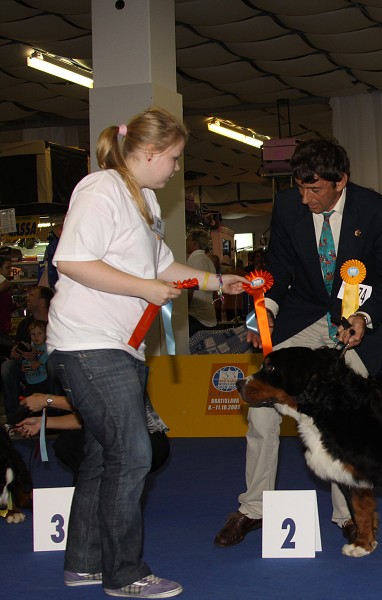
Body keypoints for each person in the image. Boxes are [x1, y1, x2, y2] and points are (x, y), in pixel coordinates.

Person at [46, 106, 246, 598]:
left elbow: (164, 267)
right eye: (174, 158)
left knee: (102, 456)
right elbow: (70, 261)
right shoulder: (100, 189)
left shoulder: (146, 202)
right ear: (150, 152)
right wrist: (142, 286)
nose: (176, 168)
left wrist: (219, 281)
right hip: (87, 344)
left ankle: (85, 563)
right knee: (134, 454)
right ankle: (125, 574)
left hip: (119, 346)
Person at [213, 138, 382, 548]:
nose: (304, 198)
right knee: (262, 410)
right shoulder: (286, 207)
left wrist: (363, 317)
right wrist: (264, 311)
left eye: (314, 189)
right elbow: (279, 270)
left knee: (345, 416)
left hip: (349, 324)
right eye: (300, 188)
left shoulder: (374, 210)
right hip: (299, 319)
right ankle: (253, 508)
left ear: (342, 181)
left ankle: (346, 515)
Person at [12, 387, 170, 483]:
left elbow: (100, 406)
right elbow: (91, 417)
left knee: (84, 446)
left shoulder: (121, 365)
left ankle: (105, 494)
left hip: (148, 442)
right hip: (117, 437)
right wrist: (42, 423)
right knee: (67, 444)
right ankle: (93, 493)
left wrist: (47, 400)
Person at [2, 286, 54, 424]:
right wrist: (16, 355)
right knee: (7, 367)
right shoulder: (25, 324)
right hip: (28, 367)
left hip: (49, 365)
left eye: (31, 295)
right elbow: (19, 350)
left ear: (42, 301)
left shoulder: (55, 321)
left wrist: (40, 357)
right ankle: (14, 420)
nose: (27, 297)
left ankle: (56, 411)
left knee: (52, 365)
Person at [185, 229, 218, 336]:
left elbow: (190, 288)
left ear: (194, 243)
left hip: (196, 315)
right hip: (209, 313)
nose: (186, 242)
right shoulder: (209, 261)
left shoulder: (193, 261)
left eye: (188, 239)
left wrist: (185, 309)